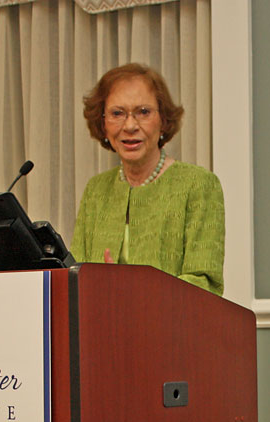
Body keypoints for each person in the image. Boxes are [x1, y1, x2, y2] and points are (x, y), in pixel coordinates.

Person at [74, 63, 225, 295]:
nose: (130, 125)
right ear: (103, 124)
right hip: (102, 327)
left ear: (163, 120)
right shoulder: (96, 190)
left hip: (172, 329)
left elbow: (205, 284)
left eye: (143, 112)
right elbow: (74, 275)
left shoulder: (198, 185)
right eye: (117, 113)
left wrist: (132, 290)